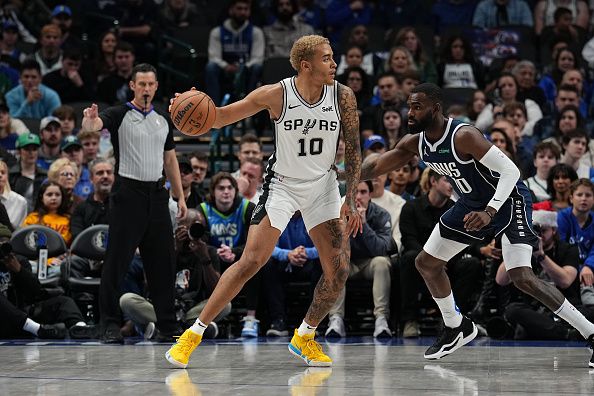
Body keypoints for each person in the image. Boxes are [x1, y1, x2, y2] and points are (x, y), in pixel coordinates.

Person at [360, 82, 594, 366]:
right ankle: (457, 326)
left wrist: (490, 211)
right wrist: (336, 174)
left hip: (509, 200)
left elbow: (511, 170)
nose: (410, 112)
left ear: (435, 109)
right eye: (409, 106)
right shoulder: (416, 142)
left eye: (417, 107)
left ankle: (590, 332)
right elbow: (374, 167)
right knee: (426, 263)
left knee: (521, 275)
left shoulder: (464, 135)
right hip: (472, 202)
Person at [166, 34, 362, 368]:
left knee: (339, 271)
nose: (334, 64)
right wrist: (190, 104)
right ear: (306, 65)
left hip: (324, 185)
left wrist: (352, 199)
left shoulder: (343, 96)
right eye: (327, 58)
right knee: (252, 260)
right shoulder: (276, 94)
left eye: (333, 57)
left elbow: (355, 149)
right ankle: (192, 335)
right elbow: (220, 117)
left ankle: (304, 337)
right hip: (283, 185)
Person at [81, 63, 187, 344]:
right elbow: (93, 126)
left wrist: (180, 195)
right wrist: (89, 120)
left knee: (163, 263)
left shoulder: (163, 118)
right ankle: (109, 324)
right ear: (132, 86)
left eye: (151, 84)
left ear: (156, 87)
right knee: (117, 261)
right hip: (128, 194)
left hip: (157, 195)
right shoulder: (120, 113)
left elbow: (170, 159)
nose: (146, 89)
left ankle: (167, 326)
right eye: (141, 84)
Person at [9, 133, 47, 212]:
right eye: (27, 149)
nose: (31, 153)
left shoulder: (45, 175)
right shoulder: (10, 175)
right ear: (19, 151)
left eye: (34, 149)